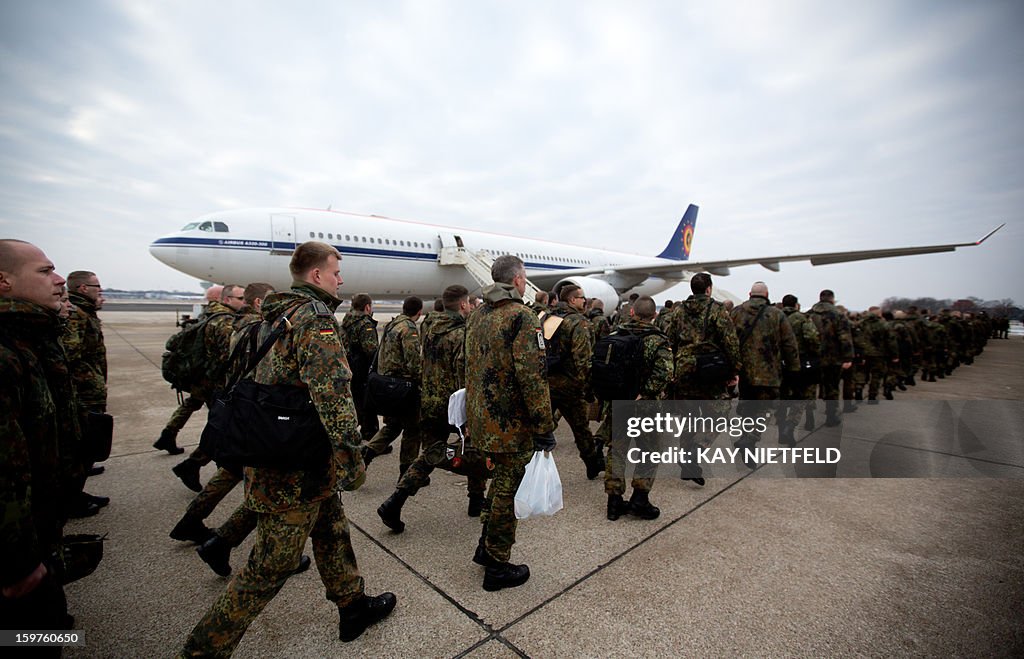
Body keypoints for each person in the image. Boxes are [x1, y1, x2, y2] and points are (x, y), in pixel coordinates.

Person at [180, 242, 395, 655]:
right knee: (269, 566)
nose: (341, 279)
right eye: (336, 272)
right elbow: (333, 397)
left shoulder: (269, 316)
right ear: (316, 276)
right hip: (292, 461)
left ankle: (352, 605)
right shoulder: (314, 321)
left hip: (280, 447)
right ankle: (201, 651)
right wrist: (353, 460)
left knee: (332, 529)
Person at [0, 239, 77, 639]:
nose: (59, 279)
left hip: (37, 535)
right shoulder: (7, 352)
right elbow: (5, 468)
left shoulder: (30, 340)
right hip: (18, 558)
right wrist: (16, 560)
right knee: (32, 634)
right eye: (45, 271)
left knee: (49, 630)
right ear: (4, 282)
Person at [465, 255, 554, 591]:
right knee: (508, 490)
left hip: (484, 418)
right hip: (512, 424)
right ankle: (497, 565)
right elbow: (533, 378)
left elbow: (470, 368)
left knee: (499, 484)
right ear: (518, 280)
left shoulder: (477, 315)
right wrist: (543, 426)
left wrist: (472, 417)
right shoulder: (522, 317)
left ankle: (486, 548)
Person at [376, 285, 489, 532]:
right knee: (475, 448)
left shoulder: (427, 327)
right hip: (454, 404)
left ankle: (395, 501)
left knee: (430, 453)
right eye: (469, 305)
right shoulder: (462, 334)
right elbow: (465, 373)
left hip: (429, 401)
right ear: (463, 305)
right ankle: (476, 499)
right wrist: (471, 413)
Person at [598, 296, 672, 520]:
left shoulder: (614, 336)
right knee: (649, 450)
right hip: (645, 407)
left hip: (618, 402)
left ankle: (614, 502)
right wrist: (646, 392)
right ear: (654, 316)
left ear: (631, 313)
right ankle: (640, 498)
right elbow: (666, 373)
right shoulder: (658, 341)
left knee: (617, 450)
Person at [155, 284, 246, 455]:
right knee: (221, 422)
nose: (244, 302)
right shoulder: (225, 320)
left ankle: (168, 433)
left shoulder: (208, 313)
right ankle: (199, 460)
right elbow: (228, 355)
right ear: (226, 299)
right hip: (213, 379)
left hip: (200, 374)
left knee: (192, 403)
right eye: (240, 298)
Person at [667, 273, 740, 484]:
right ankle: (696, 451)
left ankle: (687, 460)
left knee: (688, 417)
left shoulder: (678, 310)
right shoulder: (717, 310)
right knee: (719, 414)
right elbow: (731, 342)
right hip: (711, 370)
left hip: (684, 370)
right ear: (708, 289)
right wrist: (734, 370)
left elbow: (670, 339)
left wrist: (675, 365)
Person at [730, 282, 799, 466]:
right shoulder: (777, 314)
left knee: (747, 408)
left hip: (744, 371)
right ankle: (750, 439)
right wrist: (793, 368)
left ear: (749, 293)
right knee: (764, 409)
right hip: (769, 372)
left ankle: (748, 443)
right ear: (767, 294)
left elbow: (728, 340)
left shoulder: (736, 312)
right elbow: (789, 344)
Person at [63, 270, 112, 515]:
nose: (99, 290)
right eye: (97, 286)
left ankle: (76, 493)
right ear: (83, 288)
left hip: (89, 389)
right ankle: (71, 500)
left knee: (86, 445)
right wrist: (89, 382)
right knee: (80, 445)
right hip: (82, 392)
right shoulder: (76, 314)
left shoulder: (84, 312)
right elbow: (70, 356)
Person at [544, 284, 604, 478]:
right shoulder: (578, 323)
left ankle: (525, 466)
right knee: (581, 429)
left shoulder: (546, 317)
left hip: (546, 383)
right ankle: (592, 464)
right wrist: (588, 388)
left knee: (538, 426)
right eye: (582, 298)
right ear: (572, 300)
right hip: (570, 386)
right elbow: (583, 360)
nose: (584, 301)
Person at [361, 296, 423, 477]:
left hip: (388, 386)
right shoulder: (408, 328)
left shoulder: (392, 324)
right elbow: (413, 363)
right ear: (419, 312)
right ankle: (407, 472)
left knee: (393, 426)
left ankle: (368, 452)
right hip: (403, 389)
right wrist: (421, 381)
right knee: (413, 429)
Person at [807, 289, 854, 426]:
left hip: (813, 357)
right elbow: (844, 338)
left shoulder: (809, 314)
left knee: (810, 387)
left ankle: (809, 418)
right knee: (832, 387)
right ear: (832, 299)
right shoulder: (838, 315)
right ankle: (831, 415)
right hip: (832, 358)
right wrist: (848, 357)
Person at [778, 295, 820, 443]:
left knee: (782, 396)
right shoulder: (802, 319)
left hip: (779, 362)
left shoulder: (775, 316)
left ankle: (781, 432)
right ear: (796, 305)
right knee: (800, 395)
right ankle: (790, 426)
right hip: (799, 361)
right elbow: (812, 338)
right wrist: (814, 353)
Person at [340, 294, 379, 443]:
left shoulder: (346, 320)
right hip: (361, 369)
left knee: (355, 400)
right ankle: (370, 432)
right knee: (367, 402)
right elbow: (371, 351)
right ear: (367, 307)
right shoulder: (365, 324)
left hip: (348, 366)